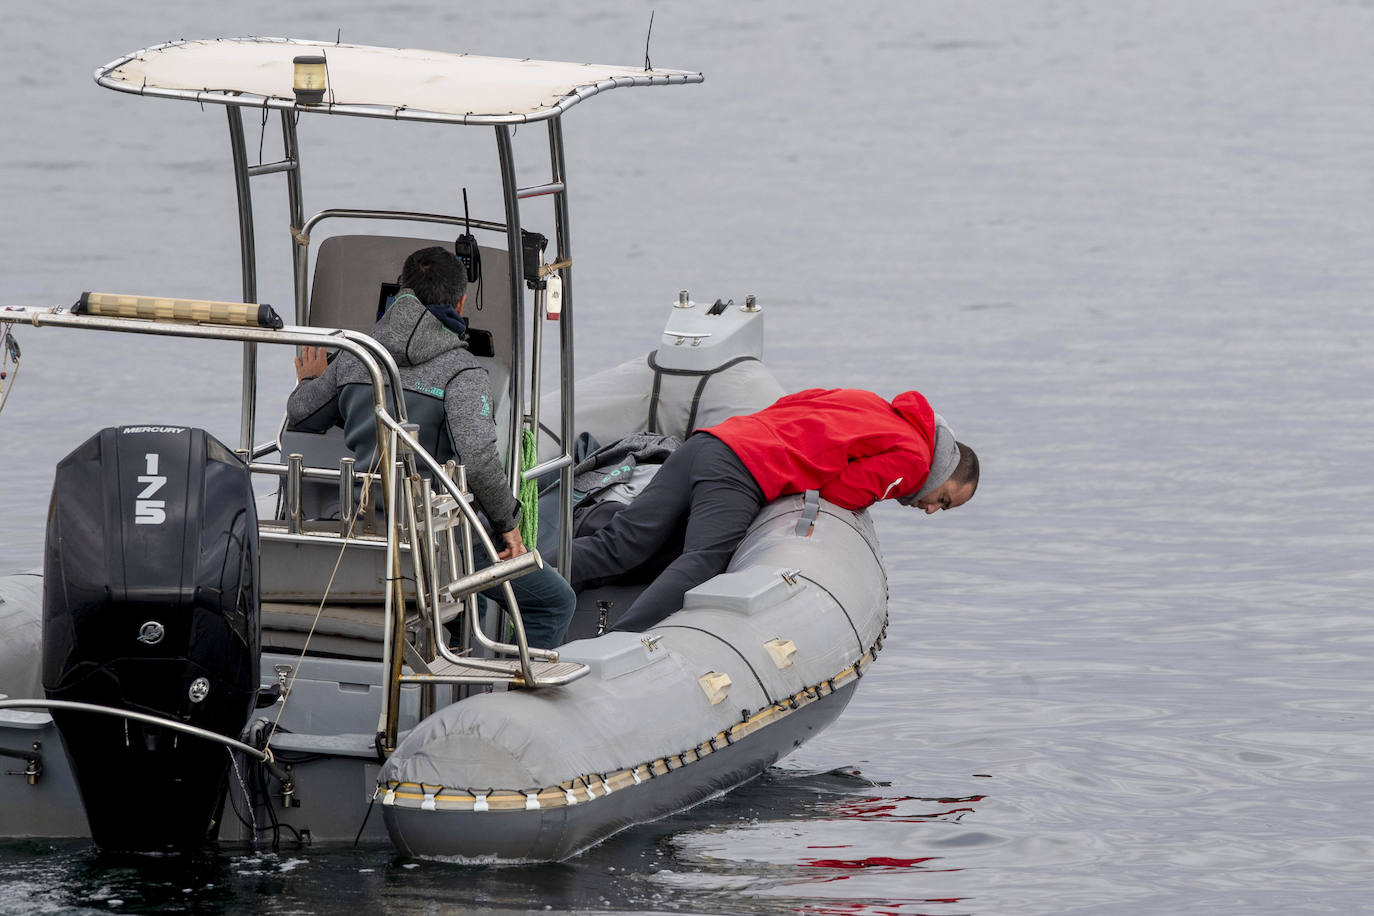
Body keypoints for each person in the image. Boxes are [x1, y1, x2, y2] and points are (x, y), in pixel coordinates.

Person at [286, 245, 575, 649]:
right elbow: (479, 461)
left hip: (365, 528)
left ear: (402, 293)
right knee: (554, 603)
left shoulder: (355, 358)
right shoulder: (463, 371)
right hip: (437, 543)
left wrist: (310, 379)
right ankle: (508, 681)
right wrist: (509, 527)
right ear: (460, 303)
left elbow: (302, 414)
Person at [570, 387, 978, 632]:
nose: (931, 510)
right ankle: (624, 640)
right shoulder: (914, 460)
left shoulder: (874, 404)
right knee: (704, 560)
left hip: (709, 443)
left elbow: (792, 402)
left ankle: (532, 577)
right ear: (942, 470)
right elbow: (841, 493)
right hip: (742, 470)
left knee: (621, 544)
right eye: (943, 500)